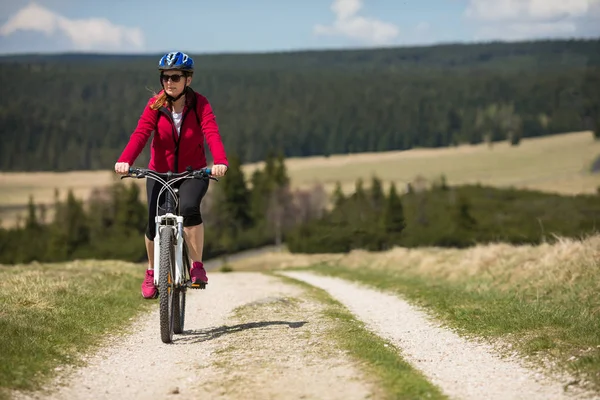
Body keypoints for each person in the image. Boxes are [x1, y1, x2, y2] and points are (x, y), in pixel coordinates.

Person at [114, 51, 228, 299]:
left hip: (192, 172)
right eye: (165, 77)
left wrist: (220, 161)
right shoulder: (155, 104)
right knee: (153, 221)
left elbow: (211, 132)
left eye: (175, 77)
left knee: (188, 209)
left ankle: (196, 266)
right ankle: (151, 271)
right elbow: (141, 134)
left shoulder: (200, 104)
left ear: (188, 79)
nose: (169, 82)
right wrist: (125, 160)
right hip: (159, 172)